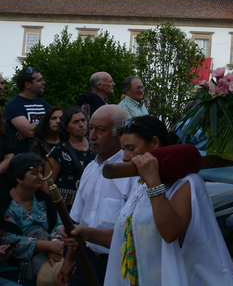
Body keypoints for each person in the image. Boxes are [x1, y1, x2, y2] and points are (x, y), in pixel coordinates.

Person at [67, 116, 233, 285]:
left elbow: (170, 232)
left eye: (130, 148)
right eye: (123, 149)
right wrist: (87, 233)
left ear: (154, 143)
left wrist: (153, 182)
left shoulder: (187, 183)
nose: (125, 157)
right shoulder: (142, 186)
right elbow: (126, 238)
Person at [59, 105, 135, 286]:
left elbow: (133, 235)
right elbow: (76, 220)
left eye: (100, 130)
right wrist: (69, 261)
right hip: (86, 260)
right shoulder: (91, 168)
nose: (91, 136)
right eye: (90, 128)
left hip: (119, 264)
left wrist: (87, 234)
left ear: (120, 133)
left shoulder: (132, 172)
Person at [0, 154, 64, 285]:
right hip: (14, 264)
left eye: (41, 172)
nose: (41, 177)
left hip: (49, 255)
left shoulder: (44, 199)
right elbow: (7, 238)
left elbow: (59, 224)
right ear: (19, 178)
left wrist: (54, 242)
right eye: (34, 173)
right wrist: (47, 246)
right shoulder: (3, 204)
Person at [45, 108, 94, 210]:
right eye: (76, 122)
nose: (81, 124)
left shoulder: (95, 145)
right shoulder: (59, 151)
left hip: (92, 201)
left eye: (83, 120)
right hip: (67, 206)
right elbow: (47, 185)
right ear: (66, 127)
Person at [5, 68, 50, 155]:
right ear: (28, 85)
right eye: (39, 80)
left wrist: (34, 125)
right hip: (23, 158)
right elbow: (29, 132)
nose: (43, 82)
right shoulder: (14, 105)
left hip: (45, 155)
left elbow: (56, 128)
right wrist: (44, 126)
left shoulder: (45, 104)